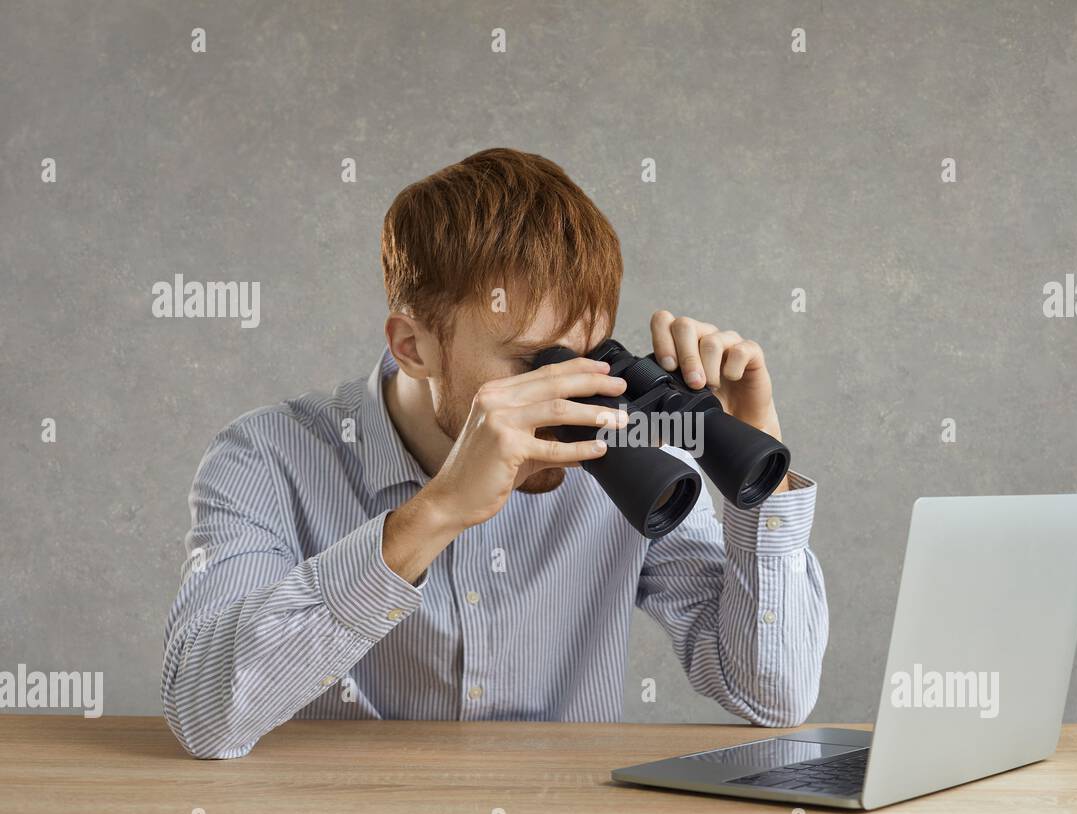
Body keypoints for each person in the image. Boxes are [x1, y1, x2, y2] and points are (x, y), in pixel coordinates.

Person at [162, 148, 829, 758]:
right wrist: (435, 513)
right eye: (531, 362)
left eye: (584, 357)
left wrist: (756, 463)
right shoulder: (267, 458)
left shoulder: (631, 452)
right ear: (411, 346)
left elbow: (772, 696)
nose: (562, 391)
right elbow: (203, 713)